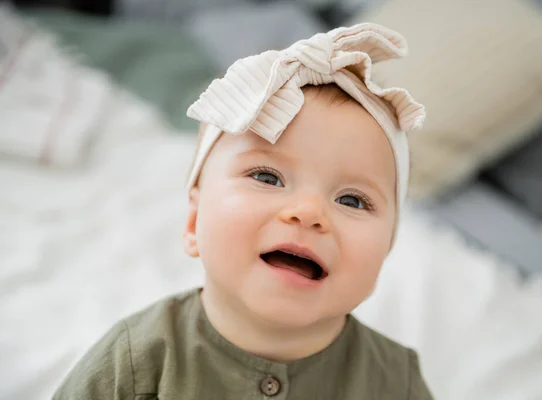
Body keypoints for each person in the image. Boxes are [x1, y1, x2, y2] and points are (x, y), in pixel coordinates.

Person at [53, 22, 433, 399]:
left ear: (387, 250)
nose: (308, 211)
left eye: (352, 200)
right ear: (192, 222)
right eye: (267, 177)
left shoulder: (397, 383)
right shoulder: (136, 364)